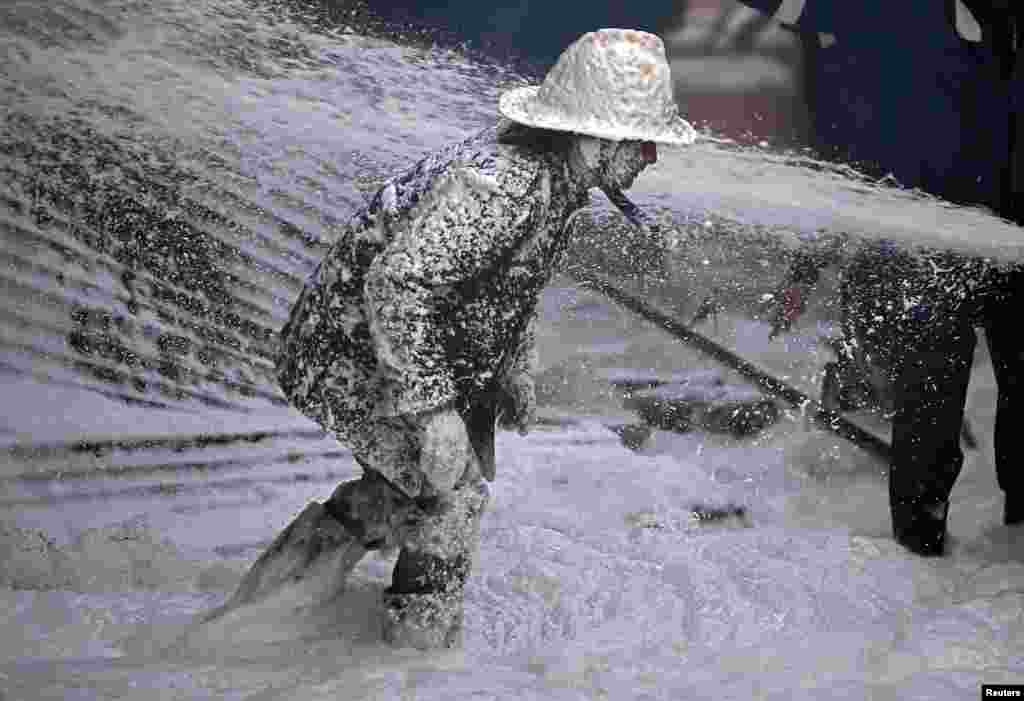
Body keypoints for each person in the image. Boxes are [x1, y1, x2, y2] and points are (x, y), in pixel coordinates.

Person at [225, 28, 695, 649]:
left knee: (403, 490)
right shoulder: (506, 187)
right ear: (598, 135)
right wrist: (432, 414)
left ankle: (260, 614)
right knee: (452, 501)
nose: (651, 158)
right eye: (643, 142)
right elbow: (398, 285)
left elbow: (508, 285)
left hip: (376, 346)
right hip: (348, 351)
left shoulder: (554, 184)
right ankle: (416, 658)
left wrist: (512, 371)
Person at [736, 0, 1023, 556]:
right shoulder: (878, 12)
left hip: (1013, 231)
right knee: (930, 406)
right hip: (920, 240)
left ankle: (1014, 534)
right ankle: (918, 550)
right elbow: (848, 145)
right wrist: (809, 263)